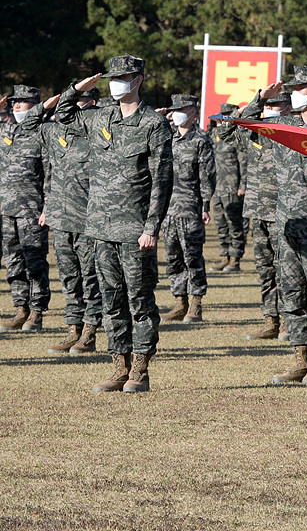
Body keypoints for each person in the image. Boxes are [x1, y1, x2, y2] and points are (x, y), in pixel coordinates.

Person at [56, 56, 173, 393]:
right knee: (111, 300)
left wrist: (151, 227)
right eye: (111, 78)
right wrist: (79, 87)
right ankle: (119, 366)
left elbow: (161, 181)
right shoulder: (101, 116)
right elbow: (63, 115)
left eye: (122, 77)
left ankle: (140, 370)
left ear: (137, 79)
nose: (115, 83)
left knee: (140, 300)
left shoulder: (153, 124)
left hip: (135, 231)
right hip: (100, 229)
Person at [242, 66, 307, 386]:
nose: (296, 92)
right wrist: (261, 98)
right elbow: (242, 126)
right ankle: (300, 359)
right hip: (286, 226)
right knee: (292, 295)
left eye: (303, 87)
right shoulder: (284, 125)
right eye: (294, 87)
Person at [23, 88, 102, 353]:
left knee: (90, 278)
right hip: (60, 217)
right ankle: (73, 329)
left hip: (88, 219)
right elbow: (28, 123)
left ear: (91, 104)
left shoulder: (97, 132)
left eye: (76, 103)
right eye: (66, 104)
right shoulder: (55, 132)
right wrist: (49, 102)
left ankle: (90, 333)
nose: (68, 109)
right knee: (69, 278)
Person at [159, 94, 217, 324]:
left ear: (193, 112)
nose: (177, 113)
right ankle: (179, 302)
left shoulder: (201, 140)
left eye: (182, 109)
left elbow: (207, 176)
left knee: (192, 257)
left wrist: (205, 205)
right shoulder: (168, 137)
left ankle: (195, 305)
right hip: (168, 210)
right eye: (175, 109)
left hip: (191, 208)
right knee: (173, 258)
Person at [0, 85, 52, 332]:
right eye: (14, 102)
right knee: (13, 260)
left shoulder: (43, 134)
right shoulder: (7, 130)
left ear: (35, 106)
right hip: (7, 210)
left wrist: (47, 208)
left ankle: (37, 312)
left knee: (35, 262)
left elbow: (50, 175)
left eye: (22, 102)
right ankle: (21, 308)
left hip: (32, 210)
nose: (16, 105)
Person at [242, 91, 291, 340]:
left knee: (284, 269)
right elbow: (242, 123)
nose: (270, 108)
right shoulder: (257, 132)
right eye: (268, 105)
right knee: (264, 269)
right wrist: (260, 98)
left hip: (281, 212)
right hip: (257, 210)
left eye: (276, 104)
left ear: (288, 108)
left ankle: (286, 321)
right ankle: (270, 319)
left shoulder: (292, 134)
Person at [209, 104, 247, 272]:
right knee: (220, 224)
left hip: (232, 187)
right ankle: (224, 256)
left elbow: (243, 162)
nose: (224, 118)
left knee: (234, 224)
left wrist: (243, 185)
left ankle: (235, 259)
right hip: (217, 187)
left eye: (227, 115)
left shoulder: (238, 136)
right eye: (223, 115)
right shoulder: (216, 134)